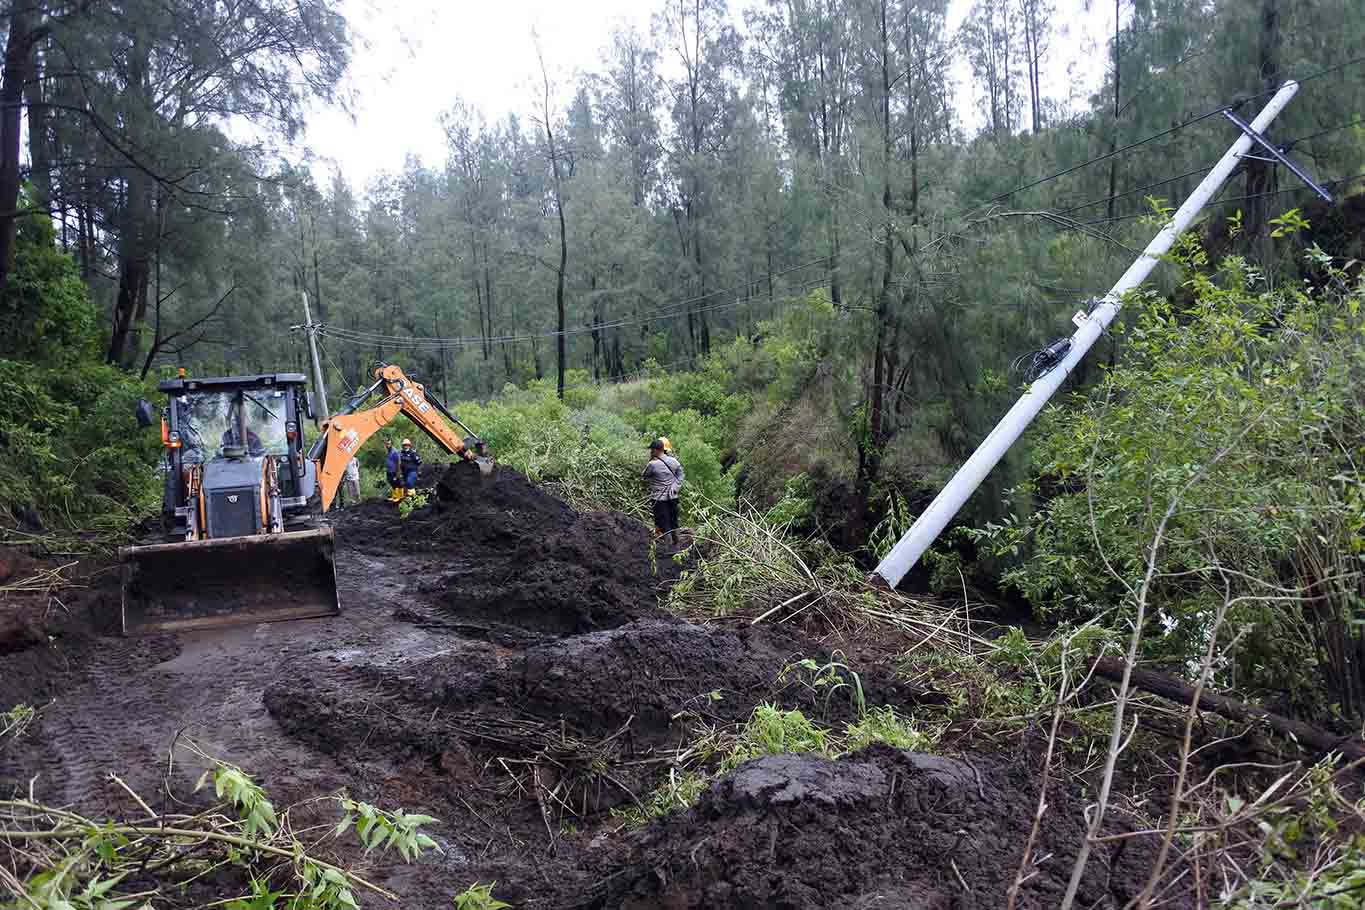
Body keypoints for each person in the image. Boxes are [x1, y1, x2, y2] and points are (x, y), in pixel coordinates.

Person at [642, 438, 684, 544]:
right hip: (673, 497)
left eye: (652, 450)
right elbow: (681, 475)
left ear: (656, 450)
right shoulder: (674, 461)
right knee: (674, 522)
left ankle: (668, 549)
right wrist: (675, 487)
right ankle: (678, 545)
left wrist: (650, 460)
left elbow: (643, 476)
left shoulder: (652, 464)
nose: (651, 452)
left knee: (664, 524)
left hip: (659, 499)